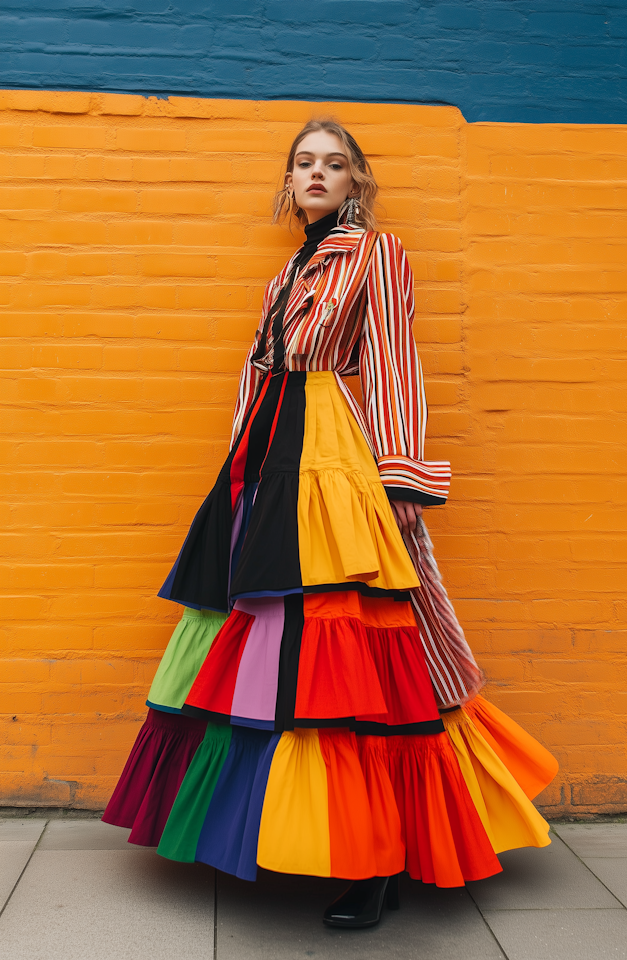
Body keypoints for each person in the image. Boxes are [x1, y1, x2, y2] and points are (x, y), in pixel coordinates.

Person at [103, 118, 558, 929]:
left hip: (327, 455)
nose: (318, 174)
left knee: (350, 661)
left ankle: (378, 861)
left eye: (335, 164)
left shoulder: (375, 254)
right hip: (267, 459)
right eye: (305, 163)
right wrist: (237, 479)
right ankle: (300, 833)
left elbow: (391, 361)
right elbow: (256, 373)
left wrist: (400, 476)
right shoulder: (291, 268)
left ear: (357, 182)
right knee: (273, 645)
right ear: (289, 183)